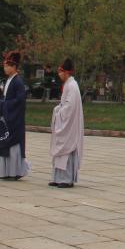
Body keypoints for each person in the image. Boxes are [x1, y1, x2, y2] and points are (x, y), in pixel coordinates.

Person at [0, 50, 30, 180]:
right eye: (4, 66)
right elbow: (6, 97)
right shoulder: (9, 80)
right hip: (6, 117)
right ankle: (5, 172)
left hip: (15, 119)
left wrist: (5, 104)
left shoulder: (18, 82)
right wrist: (0, 103)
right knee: (4, 143)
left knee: (13, 145)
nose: (4, 68)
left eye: (6, 66)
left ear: (14, 66)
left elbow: (20, 101)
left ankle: (15, 172)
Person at [49, 58, 84, 188]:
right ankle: (58, 178)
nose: (59, 74)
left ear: (66, 72)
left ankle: (67, 179)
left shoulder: (72, 86)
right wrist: (58, 108)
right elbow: (65, 104)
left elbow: (70, 107)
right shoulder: (68, 85)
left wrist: (60, 112)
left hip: (69, 125)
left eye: (60, 71)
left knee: (67, 149)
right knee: (60, 151)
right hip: (65, 122)